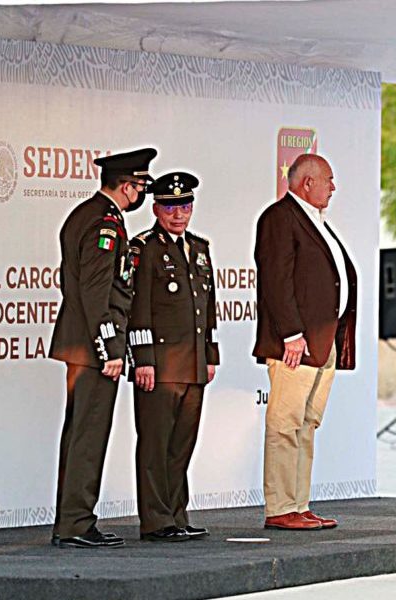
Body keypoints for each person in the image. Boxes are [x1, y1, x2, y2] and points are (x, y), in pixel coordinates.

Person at [48, 147, 157, 548]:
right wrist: (109, 348)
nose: (143, 192)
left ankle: (71, 521)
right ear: (128, 186)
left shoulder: (89, 215)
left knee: (81, 434)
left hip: (83, 345)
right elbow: (96, 293)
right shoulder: (103, 223)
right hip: (92, 348)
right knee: (88, 435)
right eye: (142, 185)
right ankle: (76, 523)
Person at [252, 154, 358, 531]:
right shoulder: (280, 218)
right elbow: (275, 280)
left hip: (322, 340)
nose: (334, 186)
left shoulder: (315, 220)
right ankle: (280, 507)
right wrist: (290, 334)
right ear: (307, 183)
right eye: (329, 179)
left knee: (306, 424)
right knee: (285, 422)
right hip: (296, 342)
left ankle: (298, 503)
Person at [127, 172, 218, 542]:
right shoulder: (144, 248)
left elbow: (207, 306)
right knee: (155, 443)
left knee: (182, 443)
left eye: (184, 206)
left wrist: (210, 353)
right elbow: (138, 307)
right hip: (161, 365)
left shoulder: (199, 247)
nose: (178, 214)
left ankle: (177, 514)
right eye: (169, 207)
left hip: (194, 362)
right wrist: (143, 358)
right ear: (156, 208)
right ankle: (156, 520)